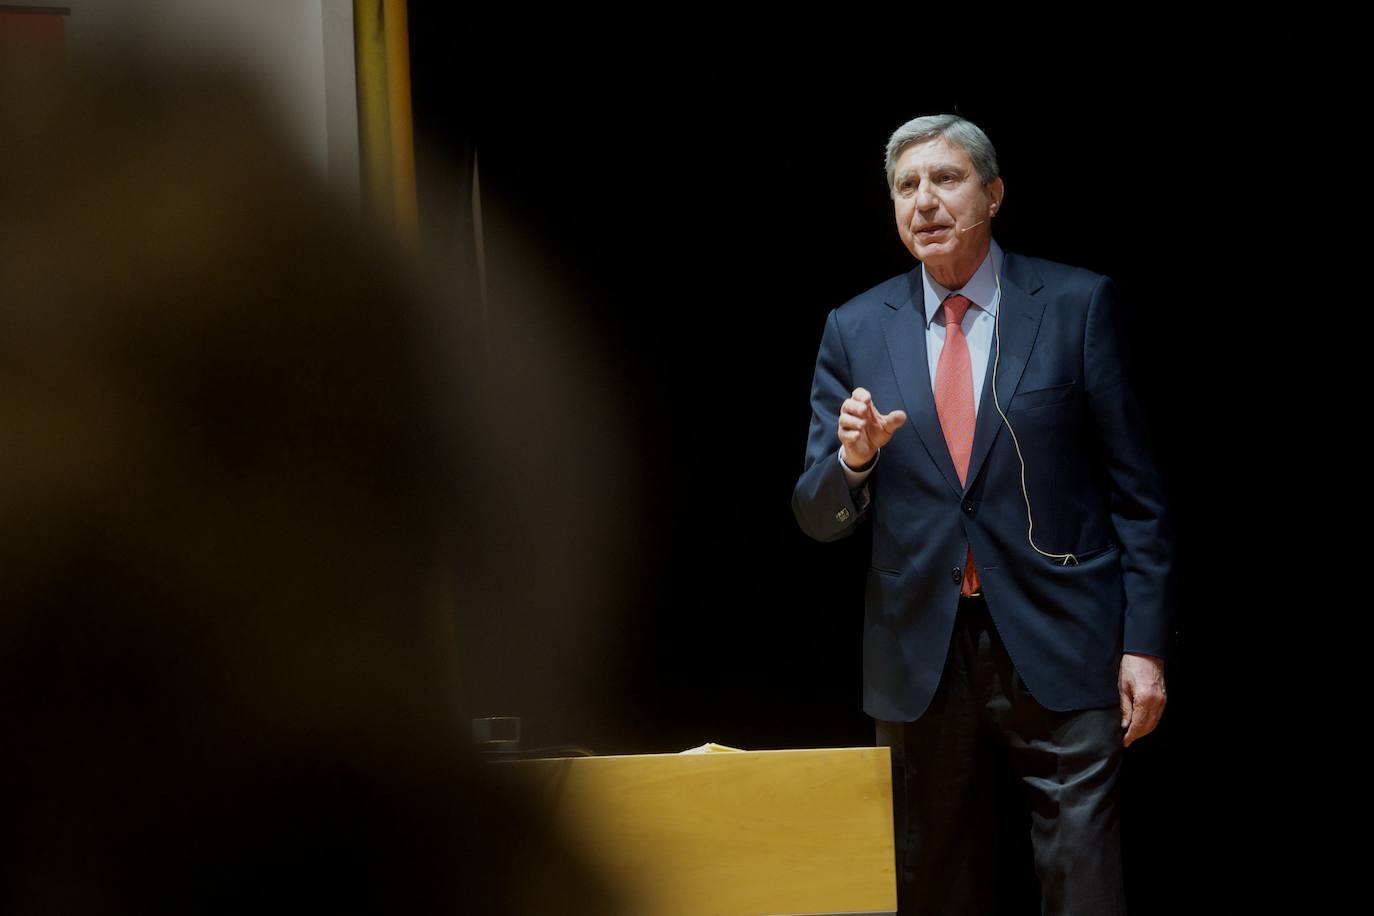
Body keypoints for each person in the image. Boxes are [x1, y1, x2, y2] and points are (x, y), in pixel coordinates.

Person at [792, 114, 1174, 915]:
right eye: (906, 187)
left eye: (946, 179)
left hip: (1064, 634)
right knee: (932, 882)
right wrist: (854, 463)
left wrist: (1144, 646)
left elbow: (1136, 493)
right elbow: (818, 515)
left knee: (1083, 884)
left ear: (993, 194)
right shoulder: (856, 328)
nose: (924, 201)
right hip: (920, 654)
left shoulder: (1077, 304)